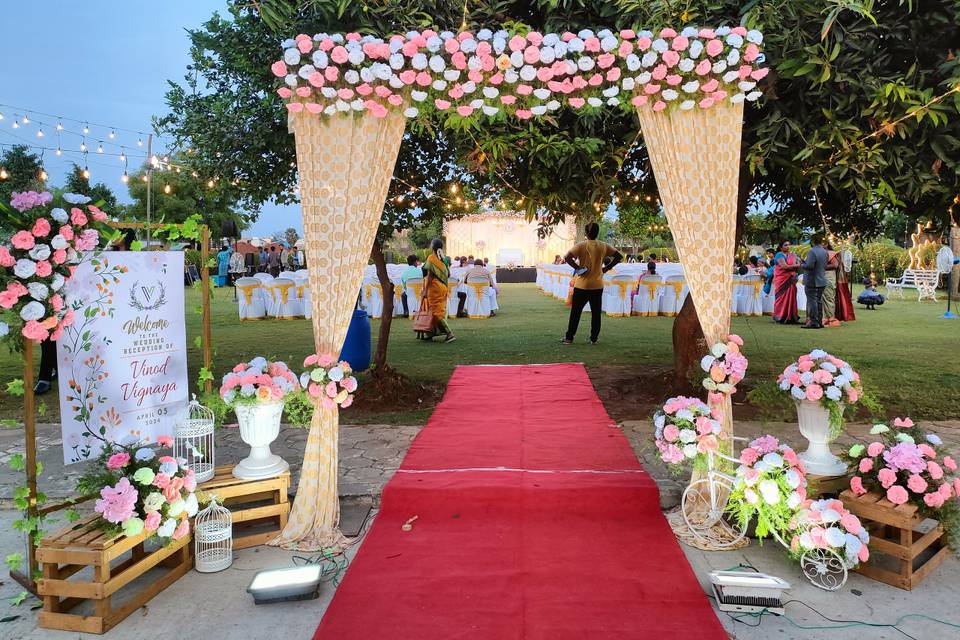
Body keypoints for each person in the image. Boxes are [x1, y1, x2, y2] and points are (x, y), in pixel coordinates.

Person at [561, 222, 622, 345]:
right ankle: (594, 338)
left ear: (586, 233)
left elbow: (567, 257)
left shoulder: (581, 245)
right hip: (597, 285)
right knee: (596, 313)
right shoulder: (604, 246)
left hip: (582, 285)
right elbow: (619, 256)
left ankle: (569, 338)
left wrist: (578, 268)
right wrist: (606, 268)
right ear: (597, 232)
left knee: (575, 313)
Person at [419, 239, 456, 343]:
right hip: (443, 287)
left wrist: (425, 290)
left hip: (434, 288)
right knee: (436, 310)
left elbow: (430, 276)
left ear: (432, 247)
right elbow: (448, 274)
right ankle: (431, 333)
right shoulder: (444, 259)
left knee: (435, 312)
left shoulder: (431, 258)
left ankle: (449, 334)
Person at [802, 234, 829, 329]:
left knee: (812, 301)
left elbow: (810, 266)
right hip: (822, 279)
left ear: (812, 241)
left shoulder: (812, 251)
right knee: (818, 301)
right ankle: (819, 321)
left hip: (812, 280)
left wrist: (801, 264)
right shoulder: (825, 251)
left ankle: (813, 322)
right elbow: (824, 265)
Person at [772, 240, 801, 324]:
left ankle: (791, 316)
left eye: (789, 244)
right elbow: (784, 266)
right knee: (781, 297)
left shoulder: (792, 255)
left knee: (792, 296)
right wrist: (796, 265)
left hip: (791, 280)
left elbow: (798, 265)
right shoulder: (779, 255)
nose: (788, 246)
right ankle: (780, 316)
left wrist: (795, 266)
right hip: (782, 279)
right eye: (785, 245)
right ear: (781, 247)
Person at [821, 242, 841, 327]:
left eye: (823, 243)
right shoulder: (819, 253)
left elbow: (835, 265)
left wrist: (820, 267)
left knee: (829, 297)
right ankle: (823, 318)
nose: (821, 245)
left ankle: (831, 318)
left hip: (829, 276)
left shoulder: (830, 253)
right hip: (821, 276)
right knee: (821, 298)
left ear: (827, 244)